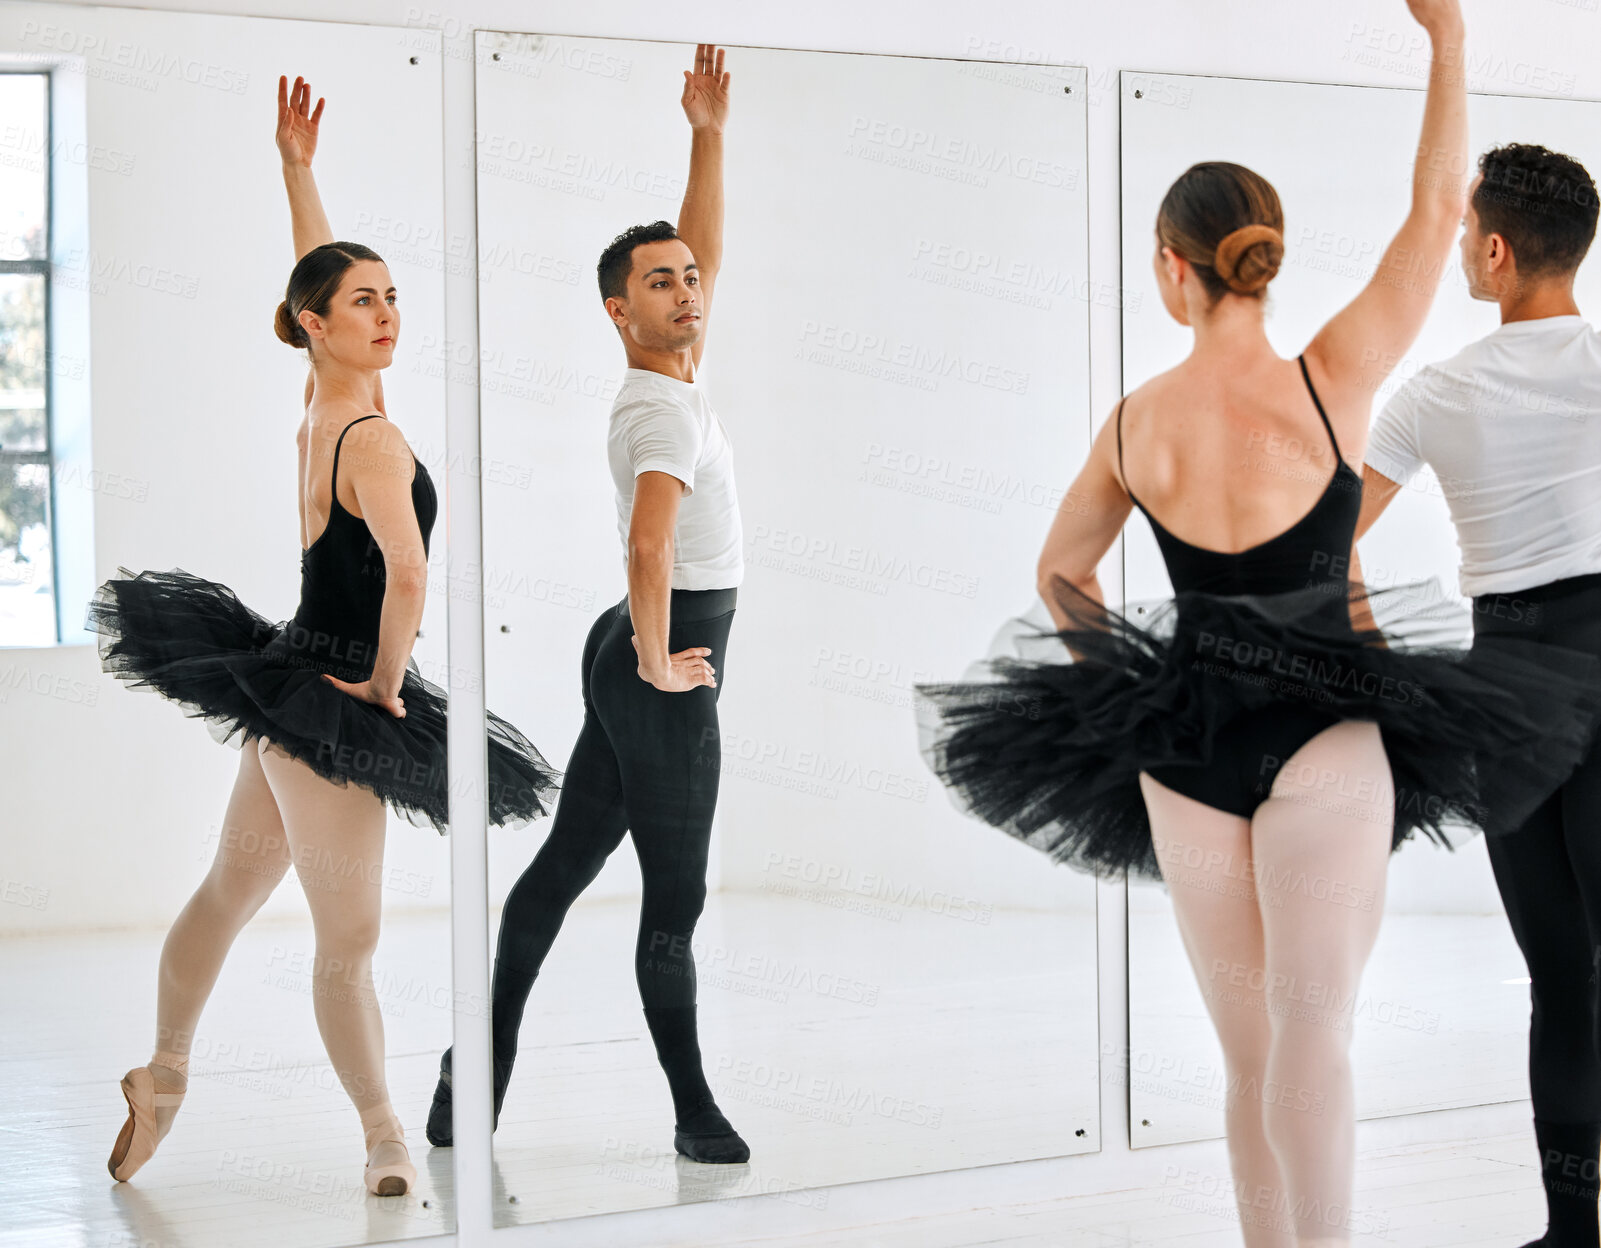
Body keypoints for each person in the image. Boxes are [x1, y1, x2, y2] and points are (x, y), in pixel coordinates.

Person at [914, 4, 1601, 1243]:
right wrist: (1447, 42)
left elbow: (1061, 573)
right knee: (1314, 1038)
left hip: (1186, 746)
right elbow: (1437, 207)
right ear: (1263, 257)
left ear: (1171, 269)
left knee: (1244, 1056)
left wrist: (1127, 689)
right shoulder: (1331, 378)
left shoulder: (1135, 423)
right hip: (1325, 736)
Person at [89, 75, 559, 1196]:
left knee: (227, 892)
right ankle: (386, 1136)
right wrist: (390, 690)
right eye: (365, 302)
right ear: (317, 322)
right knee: (346, 946)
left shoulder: (327, 401)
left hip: (282, 681)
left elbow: (316, 278)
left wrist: (298, 172)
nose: (386, 314)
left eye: (393, 296)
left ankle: (160, 1075)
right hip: (332, 700)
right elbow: (406, 572)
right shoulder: (375, 440)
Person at [425, 43, 747, 1165]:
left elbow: (696, 246)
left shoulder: (675, 374)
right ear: (619, 311)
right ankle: (694, 1112)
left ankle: (469, 1086)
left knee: (561, 871)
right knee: (673, 905)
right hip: (657, 656)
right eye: (660, 283)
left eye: (689, 278)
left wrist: (705, 136)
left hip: (627, 651)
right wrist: (662, 665)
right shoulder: (660, 410)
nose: (687, 288)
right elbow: (651, 545)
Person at [1356, 141, 1601, 1248]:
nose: (1459, 246)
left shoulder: (1435, 394)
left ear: (1495, 253)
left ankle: (1567, 1231)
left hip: (1504, 686)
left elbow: (1319, 550)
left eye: (1463, 233)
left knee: (1560, 979)